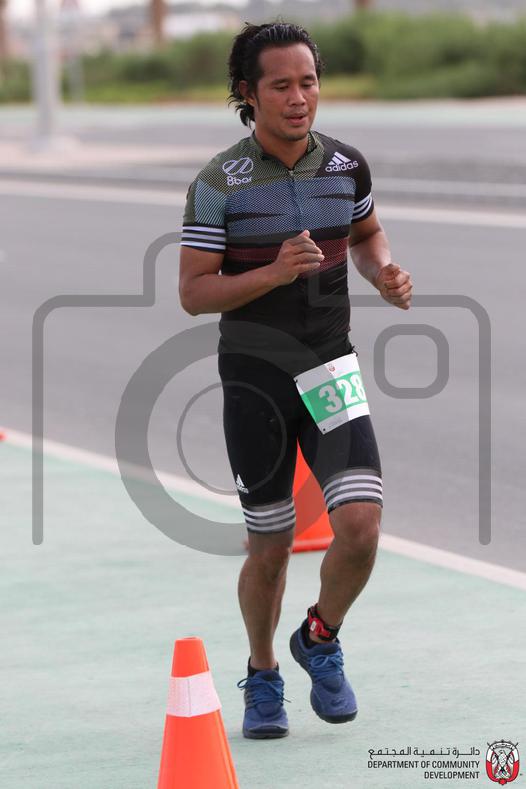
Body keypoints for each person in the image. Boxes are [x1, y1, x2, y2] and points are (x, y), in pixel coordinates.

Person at [179, 21, 413, 739]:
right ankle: (263, 673)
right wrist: (274, 272)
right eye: (280, 85)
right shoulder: (218, 183)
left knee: (361, 527)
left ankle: (319, 636)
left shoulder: (346, 166)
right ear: (247, 94)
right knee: (272, 545)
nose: (298, 97)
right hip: (255, 379)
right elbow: (193, 292)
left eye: (308, 81)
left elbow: (366, 234)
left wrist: (383, 272)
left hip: (329, 365)